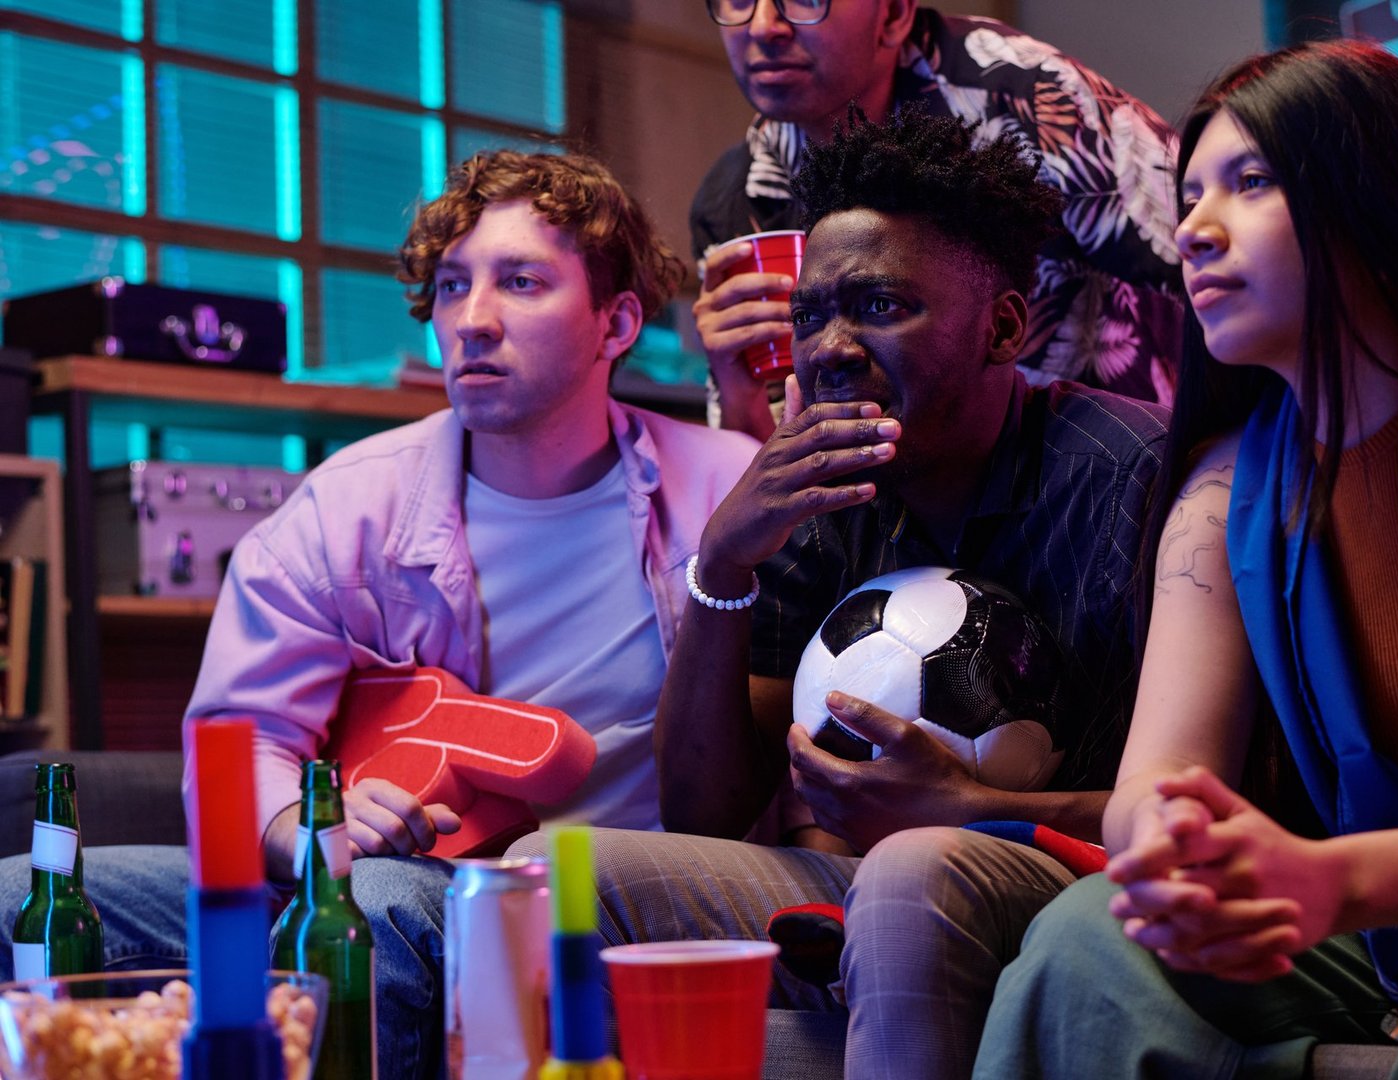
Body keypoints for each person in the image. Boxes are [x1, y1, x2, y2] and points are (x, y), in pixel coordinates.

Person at [0, 149, 758, 1079]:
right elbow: (241, 741)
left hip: (607, 902)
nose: (472, 321)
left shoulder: (724, 489)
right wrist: (312, 831)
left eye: (521, 282)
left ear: (617, 321)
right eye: (450, 287)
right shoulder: (349, 504)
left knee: (389, 900)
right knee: (14, 896)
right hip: (390, 881)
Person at [973, 39, 1398, 1079]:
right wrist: (1178, 848)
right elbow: (1162, 776)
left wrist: (1337, 879)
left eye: (1251, 182)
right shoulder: (1226, 479)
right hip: (1390, 943)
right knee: (1091, 933)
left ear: (1374, 200)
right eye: (1187, 196)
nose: (1193, 228)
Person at [519, 108, 1167, 1080]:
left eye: (878, 307)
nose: (829, 347)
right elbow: (703, 809)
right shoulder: (820, 492)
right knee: (554, 878)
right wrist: (724, 564)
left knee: (907, 872)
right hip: (866, 881)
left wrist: (963, 806)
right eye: (811, 314)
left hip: (1090, 888)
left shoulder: (1135, 481)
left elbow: (1210, 806)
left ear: (1002, 326)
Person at [691, 0, 1182, 440]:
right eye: (737, 0)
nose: (762, 25)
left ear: (894, 13)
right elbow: (779, 478)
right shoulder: (738, 201)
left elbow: (1217, 260)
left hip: (1108, 471)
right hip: (894, 509)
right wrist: (739, 396)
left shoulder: (1024, 95)